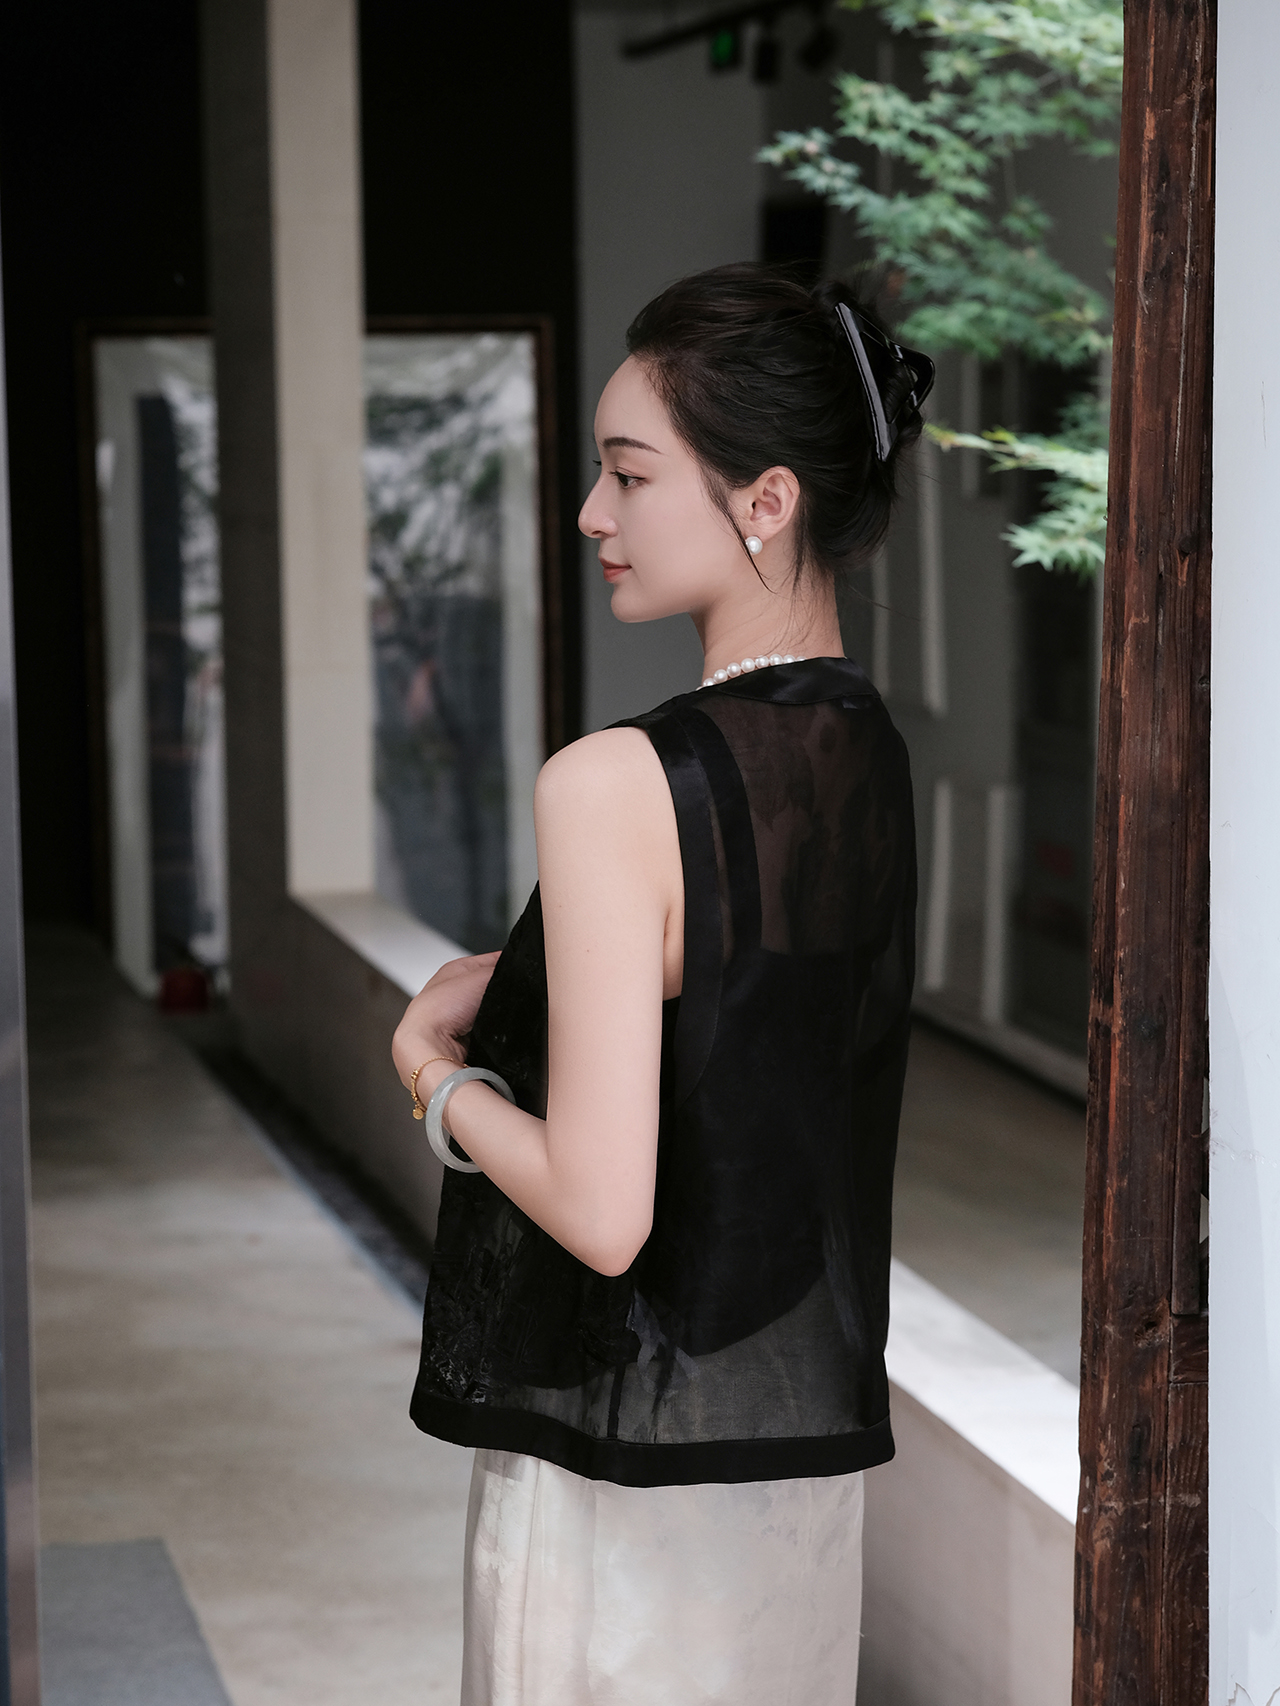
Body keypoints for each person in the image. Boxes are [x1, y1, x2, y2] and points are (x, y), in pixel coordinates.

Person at [391, 263, 930, 1706]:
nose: (593, 513)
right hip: (790, 1480)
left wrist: (437, 1077)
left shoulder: (613, 782)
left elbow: (601, 1207)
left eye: (629, 475)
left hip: (622, 1493)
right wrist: (553, 977)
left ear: (768, 499)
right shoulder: (868, 753)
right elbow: (751, 1024)